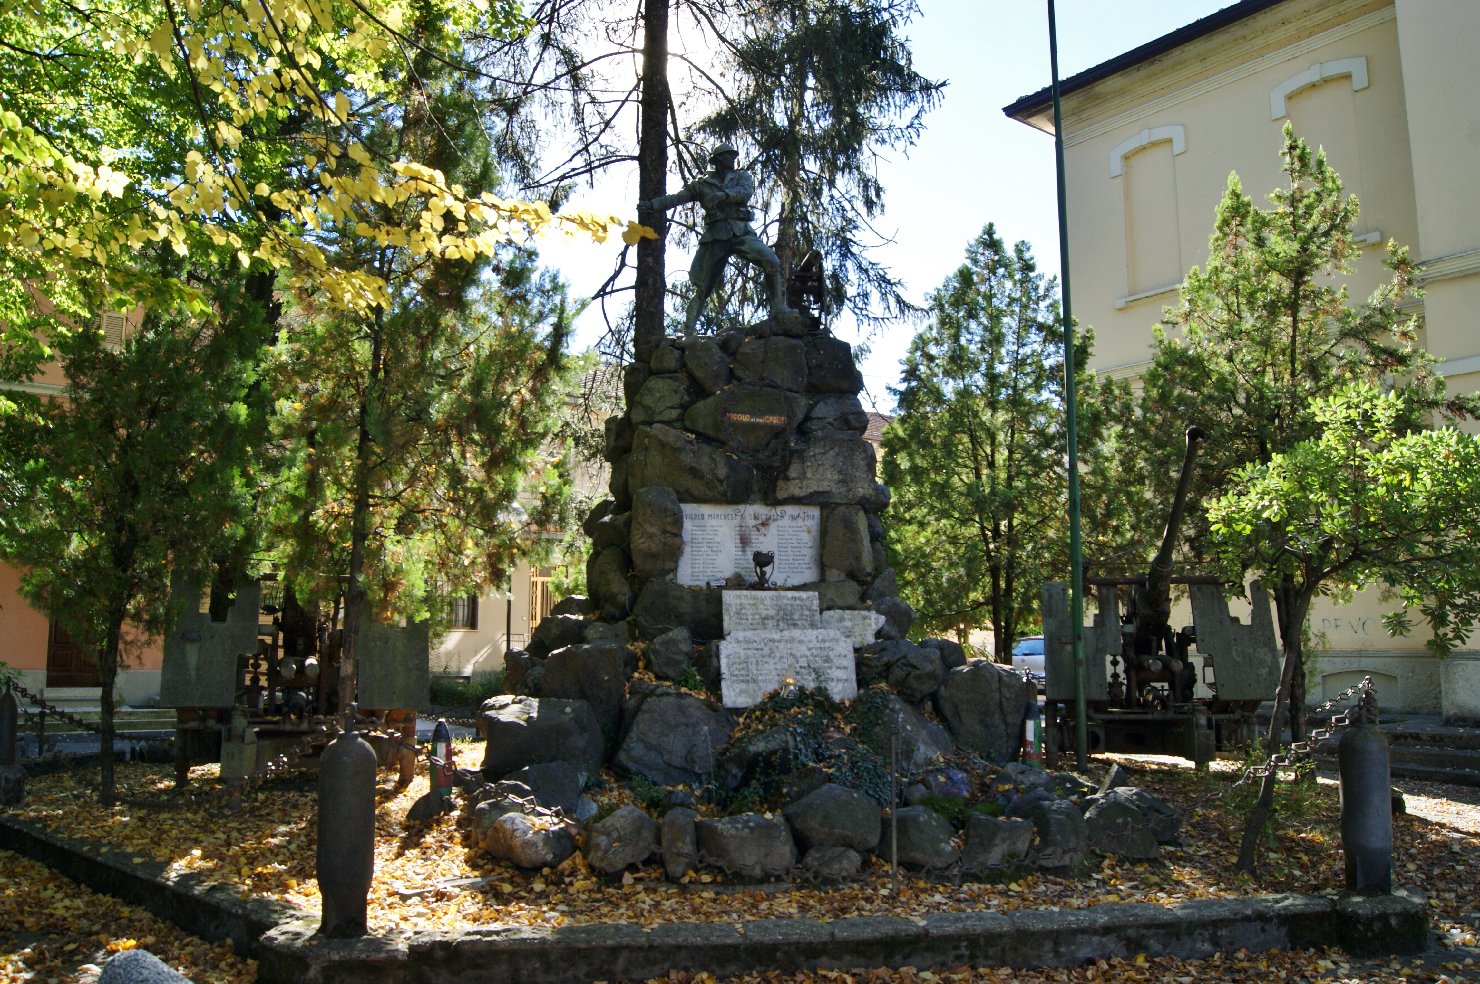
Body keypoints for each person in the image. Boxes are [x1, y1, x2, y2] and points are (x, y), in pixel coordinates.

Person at [638, 144, 796, 335]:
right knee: (703, 287)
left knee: (772, 261)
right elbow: (677, 198)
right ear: (719, 159)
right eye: (729, 156)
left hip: (741, 232)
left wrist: (724, 195)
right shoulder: (702, 184)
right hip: (716, 237)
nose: (733, 159)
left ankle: (777, 307)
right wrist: (653, 205)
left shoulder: (741, 176)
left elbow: (745, 192)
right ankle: (689, 330)